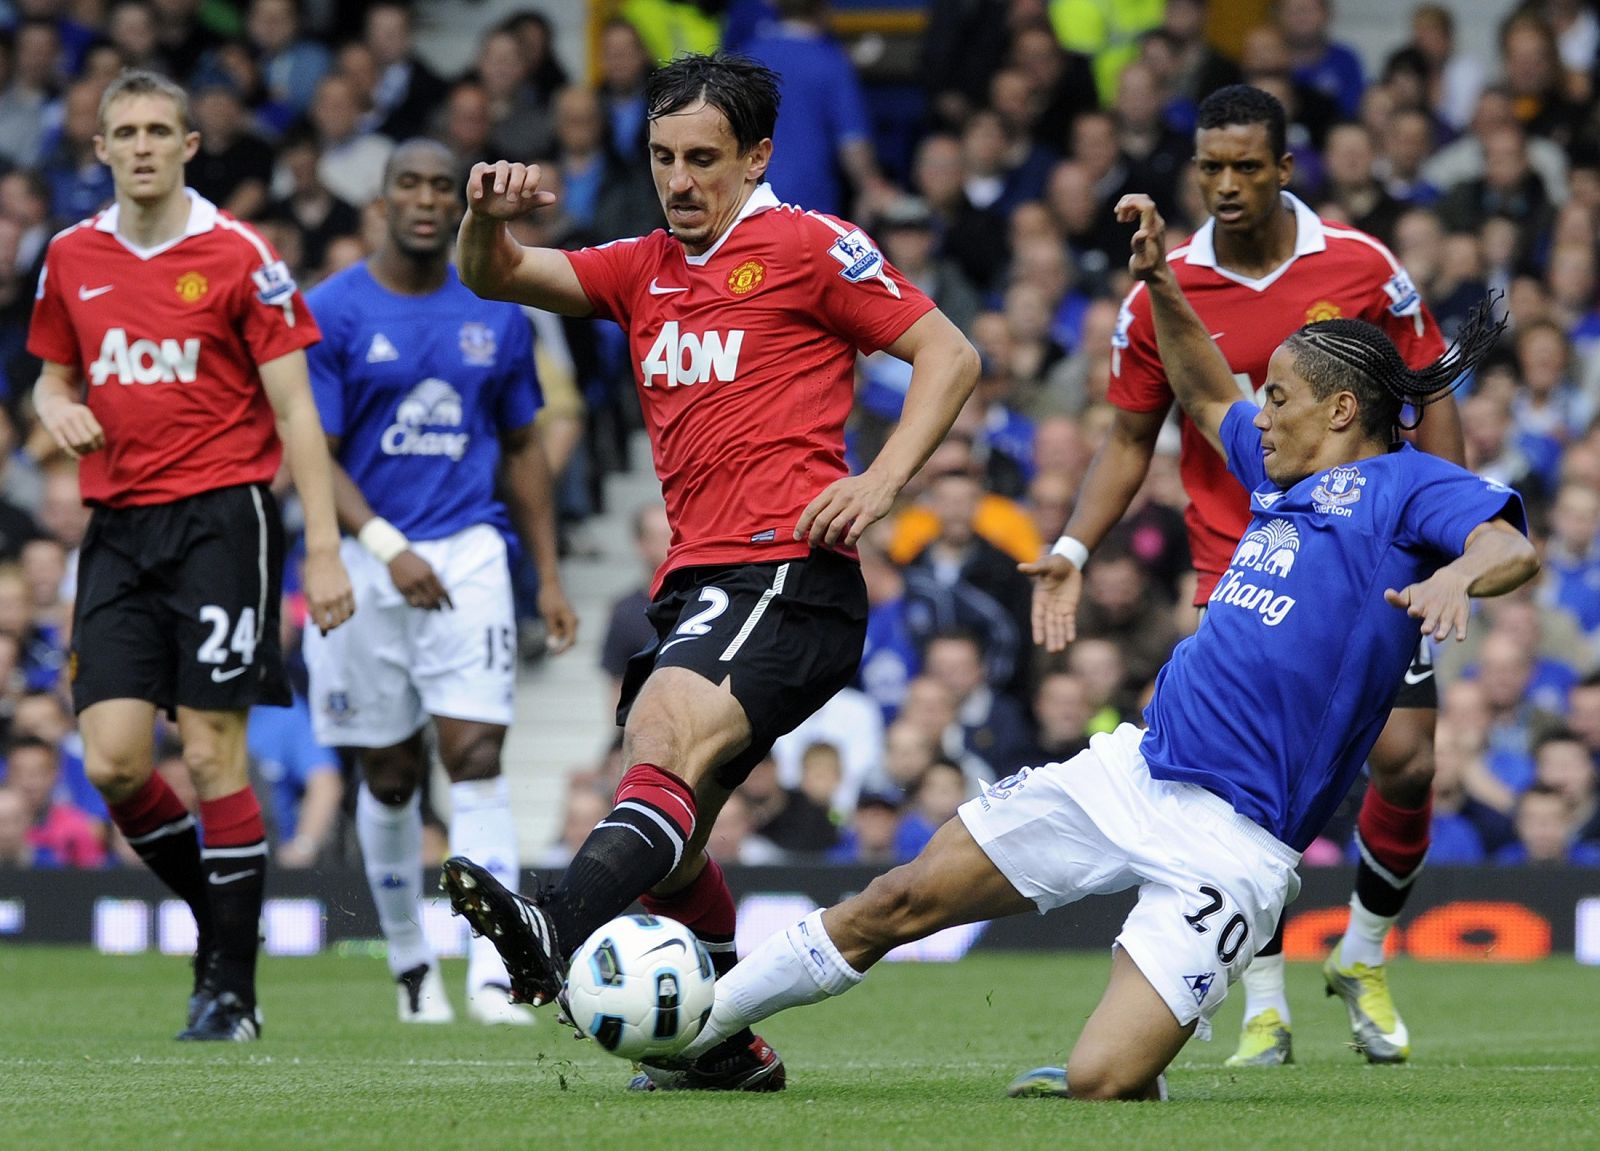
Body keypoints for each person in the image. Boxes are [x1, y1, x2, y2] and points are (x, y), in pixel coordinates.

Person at [665, 194, 1536, 1102]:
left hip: (1235, 846)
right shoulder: (1276, 480)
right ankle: (697, 1036)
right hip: (1134, 773)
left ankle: (1133, 1067)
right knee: (895, 900)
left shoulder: (1405, 487)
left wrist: (1455, 578)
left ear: (1344, 408)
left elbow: (1510, 543)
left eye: (1278, 397)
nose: (1262, 415)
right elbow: (1203, 389)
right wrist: (1160, 281)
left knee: (1098, 1084)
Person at [439, 51, 978, 1091]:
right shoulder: (641, 266)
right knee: (672, 836)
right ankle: (721, 1045)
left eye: (701, 158)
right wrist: (482, 215)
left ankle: (554, 919)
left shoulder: (811, 246)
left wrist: (883, 480)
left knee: (661, 737)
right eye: (660, 157)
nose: (678, 180)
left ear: (757, 156)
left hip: (788, 569)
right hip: (701, 581)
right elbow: (494, 272)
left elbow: (949, 353)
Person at [1040, 85, 1461, 1067]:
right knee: (1243, 789)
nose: (1225, 185)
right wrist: (1068, 549)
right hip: (1240, 559)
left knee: (1404, 760)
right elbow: (1130, 435)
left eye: (1244, 166)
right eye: (1209, 168)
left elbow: (1430, 393)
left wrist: (1444, 530)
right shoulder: (1165, 285)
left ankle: (1359, 951)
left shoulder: (1360, 267)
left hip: (1363, 561)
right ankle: (1262, 999)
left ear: (1282, 168)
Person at [25, 70, 355, 1041]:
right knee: (117, 761)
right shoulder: (69, 256)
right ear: (99, 147)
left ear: (186, 145)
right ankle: (224, 921)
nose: (139, 144)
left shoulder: (240, 254)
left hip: (223, 520)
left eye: (157, 129)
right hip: (118, 529)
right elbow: (48, 380)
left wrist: (324, 551)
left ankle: (230, 988)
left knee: (213, 750)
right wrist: (59, 409)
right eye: (121, 130)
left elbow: (296, 408)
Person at [300, 138, 577, 1027]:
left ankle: (493, 976)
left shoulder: (498, 310)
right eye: (407, 185)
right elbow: (314, 455)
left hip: (468, 552)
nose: (424, 201)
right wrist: (383, 545)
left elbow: (525, 448)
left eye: (438, 186)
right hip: (365, 562)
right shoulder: (332, 310)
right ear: (379, 202)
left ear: (460, 202)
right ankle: (414, 966)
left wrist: (549, 576)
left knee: (476, 756)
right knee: (387, 776)